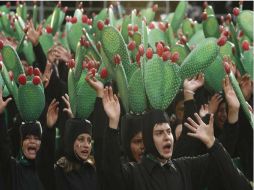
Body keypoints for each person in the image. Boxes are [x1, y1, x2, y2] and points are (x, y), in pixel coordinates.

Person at [101, 86, 251, 190]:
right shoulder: (135, 173)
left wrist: (214, 140)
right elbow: (111, 172)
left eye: (168, 132)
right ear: (148, 139)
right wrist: (113, 124)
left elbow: (223, 162)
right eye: (159, 133)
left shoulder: (184, 168)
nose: (167, 137)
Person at [0, 89, 55, 190]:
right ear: (21, 143)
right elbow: (3, 146)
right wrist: (0, 116)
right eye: (27, 138)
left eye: (36, 138)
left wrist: (49, 128)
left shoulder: (45, 171)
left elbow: (48, 149)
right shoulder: (13, 170)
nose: (32, 141)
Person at [54, 118, 98, 190]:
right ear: (70, 141)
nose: (86, 145)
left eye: (89, 141)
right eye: (81, 139)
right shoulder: (59, 172)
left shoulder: (91, 170)